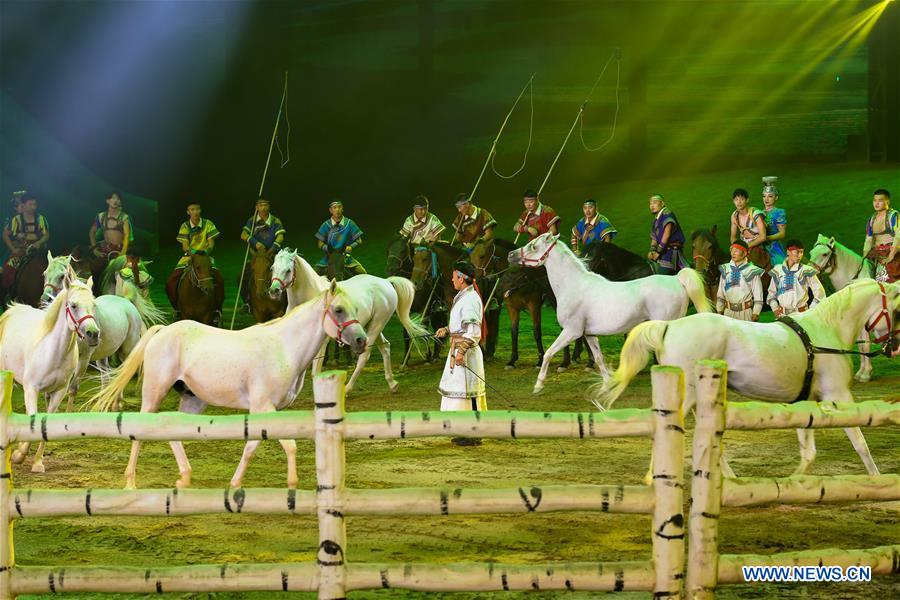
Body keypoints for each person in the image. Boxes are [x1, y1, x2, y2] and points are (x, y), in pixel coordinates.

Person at [436, 261, 486, 445]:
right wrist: (447, 329)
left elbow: (473, 331)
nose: (451, 279)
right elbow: (461, 324)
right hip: (456, 350)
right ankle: (462, 429)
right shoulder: (463, 296)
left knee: (468, 393)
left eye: (454, 276)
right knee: (458, 392)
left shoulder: (471, 299)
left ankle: (473, 433)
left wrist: (461, 352)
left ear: (462, 278)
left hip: (466, 354)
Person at [167, 202, 225, 323]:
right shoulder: (185, 226)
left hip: (205, 256)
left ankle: (217, 310)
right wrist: (193, 252)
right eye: (192, 209)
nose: (195, 212)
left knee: (219, 280)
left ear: (200, 210)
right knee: (171, 281)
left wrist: (206, 251)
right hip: (189, 257)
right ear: (188, 212)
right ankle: (177, 309)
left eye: (197, 209)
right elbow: (185, 245)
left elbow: (211, 243)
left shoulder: (208, 224)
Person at [240, 198, 286, 306]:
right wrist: (255, 243)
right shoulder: (252, 221)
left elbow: (280, 236)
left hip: (272, 255)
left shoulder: (275, 221)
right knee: (243, 276)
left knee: (284, 274)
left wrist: (272, 249)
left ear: (269, 207)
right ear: (256, 208)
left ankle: (286, 301)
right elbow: (243, 235)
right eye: (261, 205)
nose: (263, 208)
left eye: (265, 205)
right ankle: (247, 301)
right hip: (257, 256)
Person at [2, 194, 49, 293]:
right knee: (8, 268)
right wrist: (13, 249)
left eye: (35, 204)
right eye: (30, 204)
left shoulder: (41, 219)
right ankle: (7, 293)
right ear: (23, 205)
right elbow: (5, 235)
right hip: (21, 251)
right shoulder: (16, 220)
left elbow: (46, 235)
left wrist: (39, 242)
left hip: (38, 251)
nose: (33, 207)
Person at [767, 239, 826, 317]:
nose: (800, 255)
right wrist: (775, 308)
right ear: (788, 252)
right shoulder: (778, 270)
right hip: (782, 315)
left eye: (802, 252)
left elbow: (820, 294)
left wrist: (811, 311)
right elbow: (771, 293)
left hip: (801, 315)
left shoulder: (806, 271)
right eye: (797, 252)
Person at [716, 239, 764, 322]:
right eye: (732, 250)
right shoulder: (725, 269)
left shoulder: (752, 271)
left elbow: (758, 295)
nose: (733, 253)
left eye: (737, 251)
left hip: (745, 312)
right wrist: (719, 309)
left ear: (744, 253)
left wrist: (756, 312)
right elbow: (721, 292)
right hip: (728, 312)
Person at [314, 200, 366, 276]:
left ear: (342, 209)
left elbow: (359, 240)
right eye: (334, 208)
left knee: (363, 273)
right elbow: (320, 243)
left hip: (345, 257)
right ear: (330, 210)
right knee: (314, 274)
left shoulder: (349, 223)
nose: (337, 210)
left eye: (339, 207)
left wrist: (351, 247)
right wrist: (329, 249)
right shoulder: (325, 225)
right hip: (329, 258)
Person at [862, 188, 899, 282]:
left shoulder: (893, 216)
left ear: (887, 202)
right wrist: (863, 258)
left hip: (892, 254)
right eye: (874, 200)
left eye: (880, 200)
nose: (876, 203)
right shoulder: (871, 219)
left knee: (889, 281)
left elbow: (898, 236)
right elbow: (868, 240)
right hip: (876, 254)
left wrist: (890, 256)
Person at [730, 188, 769, 271]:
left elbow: (763, 237)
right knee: (732, 265)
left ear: (747, 200)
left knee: (751, 266)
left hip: (757, 244)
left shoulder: (755, 214)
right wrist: (736, 246)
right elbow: (733, 237)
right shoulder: (734, 216)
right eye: (736, 199)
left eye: (742, 199)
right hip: (743, 244)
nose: (739, 202)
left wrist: (746, 246)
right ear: (733, 201)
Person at [647, 194, 686, 274]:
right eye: (650, 204)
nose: (652, 206)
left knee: (662, 276)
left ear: (662, 203)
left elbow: (666, 234)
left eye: (654, 202)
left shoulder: (667, 214)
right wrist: (652, 250)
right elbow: (654, 239)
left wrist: (658, 252)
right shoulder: (656, 221)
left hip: (671, 253)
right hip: (662, 254)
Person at [89, 191, 132, 259]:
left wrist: (123, 252)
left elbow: (127, 236)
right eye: (113, 198)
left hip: (119, 251)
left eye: (118, 199)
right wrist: (95, 250)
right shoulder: (101, 216)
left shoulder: (124, 217)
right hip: (105, 250)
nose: (115, 201)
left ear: (120, 202)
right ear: (107, 201)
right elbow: (92, 232)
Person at [761, 176, 787, 266]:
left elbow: (782, 234)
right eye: (764, 196)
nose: (766, 199)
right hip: (760, 246)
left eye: (770, 196)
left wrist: (765, 238)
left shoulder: (779, 212)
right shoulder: (759, 212)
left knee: (780, 267)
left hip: (774, 247)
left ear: (776, 198)